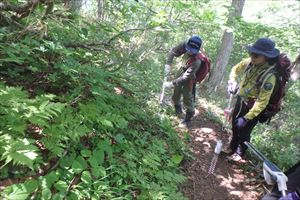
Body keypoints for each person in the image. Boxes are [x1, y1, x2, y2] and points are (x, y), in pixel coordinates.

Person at [225, 38, 280, 161]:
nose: (252, 56)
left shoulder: (269, 76)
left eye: (256, 55)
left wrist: (246, 117)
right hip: (240, 100)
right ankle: (232, 147)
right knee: (234, 125)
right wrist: (232, 81)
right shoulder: (249, 62)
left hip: (253, 108)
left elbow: (262, 101)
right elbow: (235, 69)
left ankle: (239, 153)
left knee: (244, 131)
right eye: (251, 53)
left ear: (266, 57)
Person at [162, 35, 203, 124]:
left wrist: (172, 83)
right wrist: (168, 64)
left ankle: (189, 115)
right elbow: (173, 51)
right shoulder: (184, 44)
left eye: (191, 51)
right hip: (183, 67)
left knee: (187, 95)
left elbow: (186, 77)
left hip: (191, 75)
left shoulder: (197, 61)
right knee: (176, 92)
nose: (189, 51)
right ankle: (178, 111)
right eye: (188, 49)